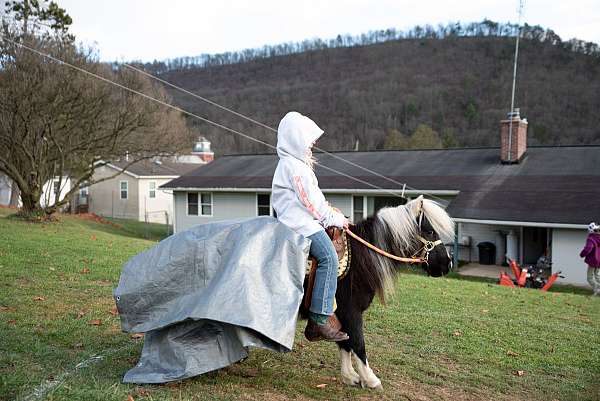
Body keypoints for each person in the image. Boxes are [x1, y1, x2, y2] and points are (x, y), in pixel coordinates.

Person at [272, 111, 350, 342]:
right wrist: (333, 219)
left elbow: (312, 199)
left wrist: (328, 212)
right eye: (308, 141)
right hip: (300, 225)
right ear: (296, 140)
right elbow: (310, 202)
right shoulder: (295, 168)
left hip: (302, 220)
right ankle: (319, 319)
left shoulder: (292, 164)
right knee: (328, 258)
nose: (312, 145)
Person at [580, 222, 600, 296]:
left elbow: (588, 248)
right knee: (597, 275)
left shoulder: (591, 238)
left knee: (589, 278)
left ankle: (597, 289)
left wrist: (582, 254)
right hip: (599, 260)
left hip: (593, 260)